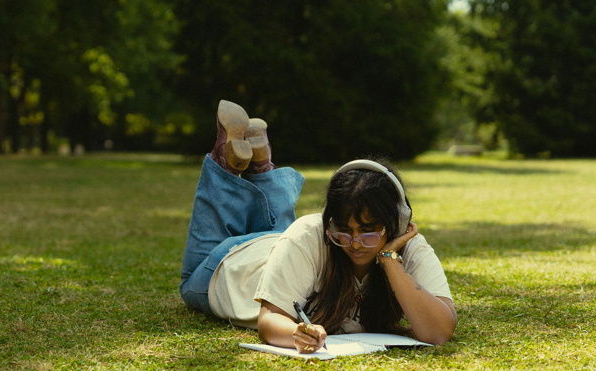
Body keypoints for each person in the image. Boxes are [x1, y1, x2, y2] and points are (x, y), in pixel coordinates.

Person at [179, 100, 457, 353]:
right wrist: (295, 333)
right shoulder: (310, 235)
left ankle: (262, 167)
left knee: (292, 234)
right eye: (344, 231)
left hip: (280, 245)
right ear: (329, 223)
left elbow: (440, 330)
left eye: (368, 231)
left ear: (396, 224)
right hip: (227, 266)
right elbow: (269, 320)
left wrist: (389, 258)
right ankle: (225, 164)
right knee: (189, 280)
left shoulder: (408, 245)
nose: (356, 242)